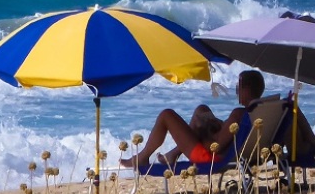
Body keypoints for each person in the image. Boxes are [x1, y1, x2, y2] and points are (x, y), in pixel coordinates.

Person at [119, 69, 283, 169]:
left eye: (238, 87)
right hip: (230, 152)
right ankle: (173, 154)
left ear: (247, 90)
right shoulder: (257, 112)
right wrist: (215, 124)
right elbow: (228, 137)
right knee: (202, 109)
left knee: (166, 115)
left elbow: (216, 146)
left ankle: (142, 157)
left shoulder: (238, 114)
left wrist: (202, 130)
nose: (236, 91)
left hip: (210, 157)